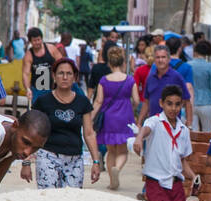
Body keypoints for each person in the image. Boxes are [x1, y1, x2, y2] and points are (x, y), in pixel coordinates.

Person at [24, 59, 100, 189]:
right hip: (48, 157)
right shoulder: (43, 101)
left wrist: (96, 161)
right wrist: (26, 163)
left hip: (75, 159)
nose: (65, 77)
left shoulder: (83, 102)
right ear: (54, 76)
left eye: (69, 74)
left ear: (75, 77)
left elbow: (89, 134)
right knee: (48, 199)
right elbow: (31, 132)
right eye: (61, 73)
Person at [134, 85, 200, 201]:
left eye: (177, 104)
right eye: (169, 104)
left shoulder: (184, 130)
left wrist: (193, 177)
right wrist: (139, 138)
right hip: (156, 183)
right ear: (161, 103)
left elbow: (182, 160)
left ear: (182, 105)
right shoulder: (154, 121)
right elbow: (146, 130)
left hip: (176, 186)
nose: (173, 108)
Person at [91, 45, 136, 190]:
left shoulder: (104, 80)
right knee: (123, 151)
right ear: (123, 62)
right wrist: (131, 109)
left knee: (111, 151)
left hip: (108, 118)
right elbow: (136, 100)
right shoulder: (130, 80)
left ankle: (112, 180)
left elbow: (98, 101)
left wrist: (90, 118)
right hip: (125, 117)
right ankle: (118, 167)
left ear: (109, 63)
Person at [136, 43, 189, 124]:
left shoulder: (176, 77)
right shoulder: (150, 78)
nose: (160, 60)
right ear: (154, 59)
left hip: (172, 125)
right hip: (153, 125)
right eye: (157, 57)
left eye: (163, 57)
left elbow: (187, 101)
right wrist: (139, 123)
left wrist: (189, 124)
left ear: (169, 59)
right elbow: (146, 102)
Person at [189, 40, 211, 132]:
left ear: (195, 51)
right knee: (207, 133)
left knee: (193, 134)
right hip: (207, 104)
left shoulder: (187, 65)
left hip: (191, 103)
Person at [165, 35, 195, 124]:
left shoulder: (158, 66)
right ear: (180, 49)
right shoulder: (186, 67)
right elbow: (189, 88)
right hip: (177, 108)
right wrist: (189, 115)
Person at [23, 27, 56, 101]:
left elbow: (62, 63)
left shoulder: (51, 49)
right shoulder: (28, 55)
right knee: (36, 111)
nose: (37, 42)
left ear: (42, 39)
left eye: (39, 40)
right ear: (30, 41)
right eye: (34, 40)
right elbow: (26, 74)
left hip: (52, 88)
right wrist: (27, 89)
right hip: (36, 89)